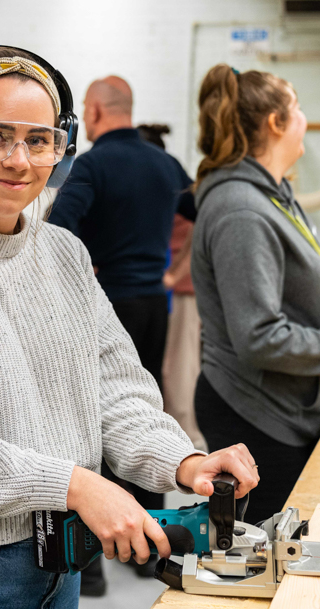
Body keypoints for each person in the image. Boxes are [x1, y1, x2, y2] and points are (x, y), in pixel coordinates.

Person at [0, 46, 259, 609]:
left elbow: (117, 392)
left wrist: (183, 462)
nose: (18, 159)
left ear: (60, 152)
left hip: (57, 562)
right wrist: (76, 485)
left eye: (38, 140)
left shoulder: (64, 254)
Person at [190, 65, 320, 525]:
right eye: (298, 108)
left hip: (287, 406)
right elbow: (259, 335)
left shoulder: (275, 195)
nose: (304, 118)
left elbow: (288, 295)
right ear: (275, 123)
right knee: (265, 565)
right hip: (258, 417)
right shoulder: (242, 210)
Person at [48, 78, 196, 588]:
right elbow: (201, 215)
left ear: (91, 112)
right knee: (143, 409)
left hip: (107, 308)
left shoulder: (90, 166)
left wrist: (81, 270)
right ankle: (148, 542)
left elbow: (56, 229)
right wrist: (175, 268)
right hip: (158, 302)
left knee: (94, 416)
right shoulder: (166, 163)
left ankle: (93, 559)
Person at [136, 124, 207, 453]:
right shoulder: (161, 179)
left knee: (179, 375)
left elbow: (200, 224)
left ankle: (193, 448)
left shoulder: (172, 182)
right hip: (161, 290)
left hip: (181, 292)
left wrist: (174, 273)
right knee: (161, 374)